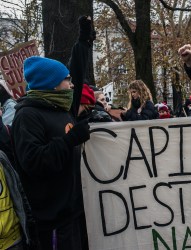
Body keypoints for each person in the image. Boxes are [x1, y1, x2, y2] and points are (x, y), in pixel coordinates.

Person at [11, 15, 94, 250]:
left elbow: (77, 71)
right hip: (53, 220)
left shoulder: (60, 106)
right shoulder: (27, 116)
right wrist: (70, 140)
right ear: (51, 84)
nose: (71, 84)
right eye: (65, 80)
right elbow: (34, 161)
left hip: (74, 211)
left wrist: (84, 40)